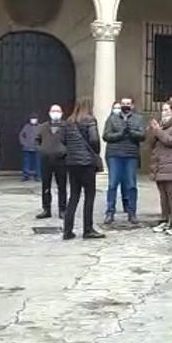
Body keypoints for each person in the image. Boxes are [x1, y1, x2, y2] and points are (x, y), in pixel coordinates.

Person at [62, 101, 105, 240]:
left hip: (72, 162)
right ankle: (88, 229)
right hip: (86, 163)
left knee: (74, 196)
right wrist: (96, 152)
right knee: (89, 196)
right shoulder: (90, 120)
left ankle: (67, 230)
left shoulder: (69, 122)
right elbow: (94, 139)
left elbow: (63, 140)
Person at [103, 97, 146, 224]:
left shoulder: (138, 119)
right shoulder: (112, 118)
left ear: (132, 105)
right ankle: (110, 212)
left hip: (131, 155)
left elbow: (142, 135)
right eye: (123, 104)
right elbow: (106, 135)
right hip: (115, 155)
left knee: (131, 185)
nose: (125, 106)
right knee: (112, 185)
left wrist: (131, 132)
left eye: (128, 104)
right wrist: (120, 134)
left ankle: (132, 212)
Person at [148, 101, 172, 235]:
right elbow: (151, 143)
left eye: (166, 110)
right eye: (162, 110)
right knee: (162, 195)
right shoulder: (161, 126)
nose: (163, 113)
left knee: (171, 194)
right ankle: (164, 219)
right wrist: (153, 131)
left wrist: (158, 131)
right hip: (159, 164)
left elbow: (171, 141)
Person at [36, 104, 68, 220]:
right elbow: (37, 140)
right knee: (46, 185)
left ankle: (63, 209)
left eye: (58, 111)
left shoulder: (66, 126)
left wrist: (65, 151)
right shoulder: (43, 127)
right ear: (49, 113)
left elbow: (71, 141)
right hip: (46, 160)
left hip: (61, 160)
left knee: (62, 186)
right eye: (53, 111)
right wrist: (41, 149)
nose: (55, 113)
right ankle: (46, 209)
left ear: (62, 113)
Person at [19, 113, 41, 182]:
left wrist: (40, 145)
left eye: (35, 119)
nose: (33, 120)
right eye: (32, 119)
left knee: (37, 163)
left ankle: (37, 176)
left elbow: (43, 137)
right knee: (26, 162)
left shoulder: (40, 127)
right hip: (27, 148)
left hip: (37, 148)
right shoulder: (26, 126)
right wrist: (24, 143)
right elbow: (21, 135)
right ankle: (26, 175)